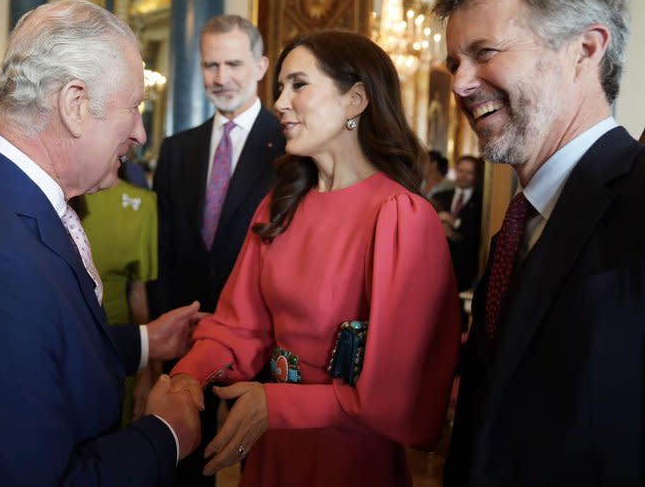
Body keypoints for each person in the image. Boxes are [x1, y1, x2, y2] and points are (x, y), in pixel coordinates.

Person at [0, 0, 204, 486]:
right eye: (133, 107)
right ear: (76, 106)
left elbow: (35, 349)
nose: (139, 131)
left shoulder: (4, 193)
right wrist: (165, 434)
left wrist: (143, 341)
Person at [169, 30, 462, 487]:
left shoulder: (401, 216)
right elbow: (239, 327)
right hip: (271, 446)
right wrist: (189, 377)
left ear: (356, 100)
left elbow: (398, 393)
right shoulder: (279, 205)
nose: (281, 103)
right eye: (280, 88)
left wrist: (277, 405)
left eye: (298, 85)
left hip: (349, 455)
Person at [432, 0, 645, 485]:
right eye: (453, 63)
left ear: (585, 49)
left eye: (485, 53)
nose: (459, 85)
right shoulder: (517, 223)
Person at [152, 13, 285, 487]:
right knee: (185, 463)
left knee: (263, 467)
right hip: (187, 335)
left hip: (263, 339)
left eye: (233, 63)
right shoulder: (176, 150)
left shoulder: (291, 148)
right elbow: (164, 248)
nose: (221, 78)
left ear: (261, 66)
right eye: (211, 65)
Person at [82, 173, 159, 425]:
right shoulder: (56, 194)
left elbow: (139, 295)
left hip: (117, 350)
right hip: (57, 349)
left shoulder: (141, 203)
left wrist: (145, 371)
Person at [433, 155, 482, 293]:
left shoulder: (483, 202)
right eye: (461, 171)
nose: (463, 176)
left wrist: (454, 221)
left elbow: (477, 234)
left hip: (465, 270)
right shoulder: (439, 197)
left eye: (469, 172)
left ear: (476, 176)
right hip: (437, 265)